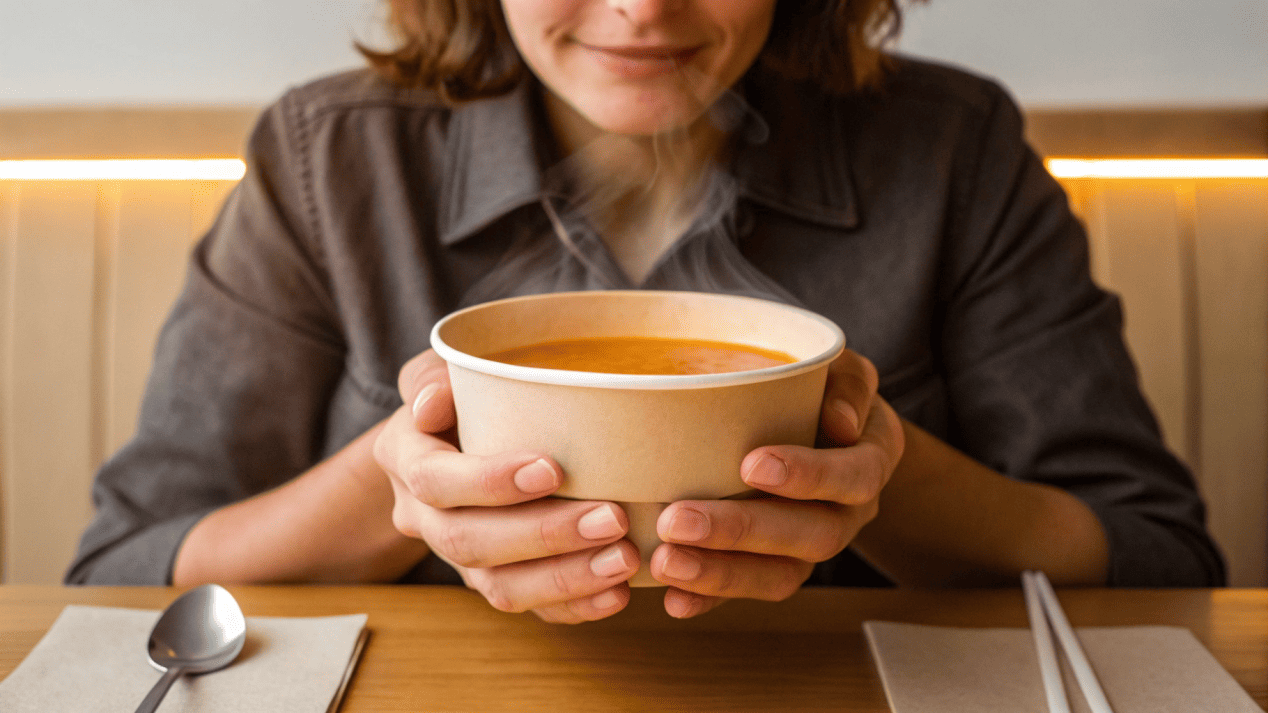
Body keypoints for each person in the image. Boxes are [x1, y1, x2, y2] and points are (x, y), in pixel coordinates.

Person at [67, 0, 1225, 622]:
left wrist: (874, 472)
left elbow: (1154, 556)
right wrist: (402, 478)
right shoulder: (333, 159)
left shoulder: (951, 147)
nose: (639, 8)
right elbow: (128, 573)